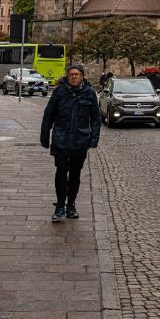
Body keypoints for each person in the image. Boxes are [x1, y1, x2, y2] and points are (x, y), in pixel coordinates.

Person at [40, 63, 100, 222]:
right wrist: (44, 137)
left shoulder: (89, 94)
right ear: (67, 76)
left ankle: (71, 205)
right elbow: (48, 115)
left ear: (82, 76)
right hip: (61, 139)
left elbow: (95, 118)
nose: (74, 77)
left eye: (76, 74)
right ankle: (60, 206)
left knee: (75, 174)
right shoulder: (59, 92)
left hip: (80, 140)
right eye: (71, 74)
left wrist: (93, 139)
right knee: (61, 171)